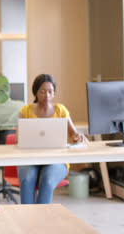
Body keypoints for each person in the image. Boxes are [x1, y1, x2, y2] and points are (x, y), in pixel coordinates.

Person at [17, 74, 88, 204]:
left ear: (54, 93)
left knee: (48, 181)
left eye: (50, 92)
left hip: (56, 159)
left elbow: (73, 134)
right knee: (27, 180)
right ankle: (26, 218)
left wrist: (77, 137)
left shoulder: (60, 110)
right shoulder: (26, 110)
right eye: (42, 92)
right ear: (36, 92)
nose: (47, 95)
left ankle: (42, 219)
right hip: (29, 158)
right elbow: (19, 137)